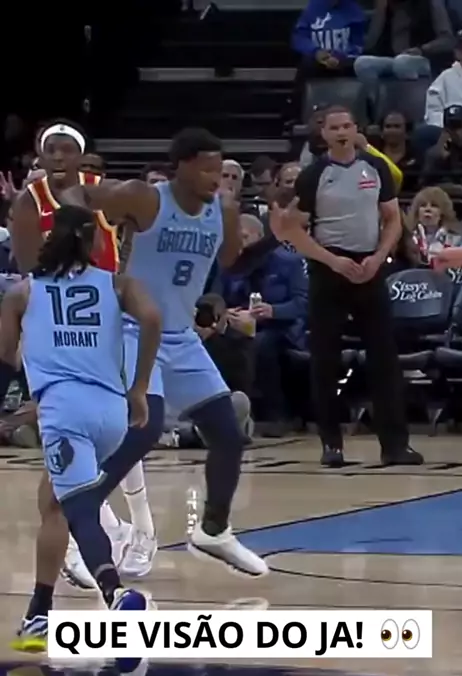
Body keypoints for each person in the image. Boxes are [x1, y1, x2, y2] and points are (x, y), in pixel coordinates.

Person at [41, 127, 269, 596]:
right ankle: (78, 523)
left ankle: (213, 530)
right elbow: (77, 194)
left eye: (220, 168)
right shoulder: (144, 198)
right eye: (206, 168)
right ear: (181, 167)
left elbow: (226, 261)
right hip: (129, 328)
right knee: (144, 429)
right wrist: (79, 221)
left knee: (228, 434)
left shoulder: (223, 210)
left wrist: (265, 243)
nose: (215, 177)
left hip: (181, 335)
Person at [0, 205, 162, 650]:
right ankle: (39, 613)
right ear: (93, 242)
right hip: (112, 412)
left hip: (64, 412)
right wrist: (140, 388)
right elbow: (152, 318)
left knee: (78, 510)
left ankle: (116, 593)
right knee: (53, 503)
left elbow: (6, 357)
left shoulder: (23, 292)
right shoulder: (116, 283)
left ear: (48, 239)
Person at [10, 119, 158, 587]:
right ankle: (100, 531)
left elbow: (135, 230)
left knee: (111, 423)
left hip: (103, 314)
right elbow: (28, 267)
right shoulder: (29, 201)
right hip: (56, 316)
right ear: (39, 155)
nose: (57, 157)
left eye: (65, 149)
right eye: (49, 149)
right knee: (75, 430)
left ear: (79, 155)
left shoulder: (102, 191)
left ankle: (135, 526)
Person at [270, 105, 424, 467]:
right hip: (329, 269)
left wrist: (379, 257)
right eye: (334, 127)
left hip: (370, 265)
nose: (341, 132)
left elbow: (392, 219)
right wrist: (332, 261)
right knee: (325, 359)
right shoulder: (313, 176)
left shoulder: (376, 167)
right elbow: (295, 231)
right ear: (323, 133)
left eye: (347, 126)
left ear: (357, 130)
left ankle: (395, 445)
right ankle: (331, 443)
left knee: (384, 358)